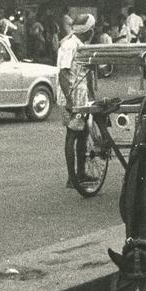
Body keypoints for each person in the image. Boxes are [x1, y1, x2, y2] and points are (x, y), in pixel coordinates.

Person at [57, 14, 95, 189]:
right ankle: (72, 178)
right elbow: (63, 74)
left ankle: (81, 173)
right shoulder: (69, 45)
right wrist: (70, 101)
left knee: (83, 132)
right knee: (72, 134)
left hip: (81, 95)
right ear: (87, 31)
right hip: (71, 95)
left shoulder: (81, 45)